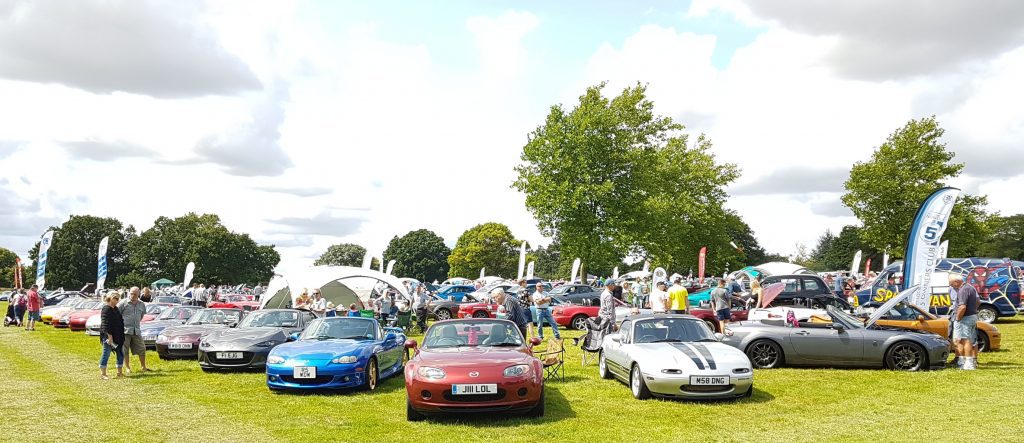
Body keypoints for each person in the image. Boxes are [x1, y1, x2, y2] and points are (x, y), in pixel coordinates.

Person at [950, 274, 980, 370]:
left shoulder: (963, 290)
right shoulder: (970, 288)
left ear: (957, 281)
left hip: (964, 318)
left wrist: (958, 318)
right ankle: (962, 361)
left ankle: (968, 364)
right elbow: (978, 302)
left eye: (951, 283)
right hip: (971, 316)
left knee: (965, 340)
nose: (951, 286)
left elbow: (962, 306)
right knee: (962, 340)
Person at [118, 287, 150, 373]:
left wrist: (136, 321)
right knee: (125, 350)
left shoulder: (141, 304)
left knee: (142, 348)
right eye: (131, 293)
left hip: (136, 330)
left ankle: (143, 367)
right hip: (125, 330)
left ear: (139, 294)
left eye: (135, 294)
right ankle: (127, 367)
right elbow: (117, 315)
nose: (132, 295)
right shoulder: (123, 303)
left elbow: (141, 315)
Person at [99, 291, 125, 380]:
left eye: (118, 298)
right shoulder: (106, 309)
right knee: (106, 353)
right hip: (108, 336)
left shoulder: (116, 309)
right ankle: (103, 374)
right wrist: (110, 337)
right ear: (110, 298)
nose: (117, 300)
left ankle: (119, 372)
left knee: (120, 353)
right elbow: (105, 324)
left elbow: (120, 322)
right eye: (115, 298)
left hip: (118, 336)